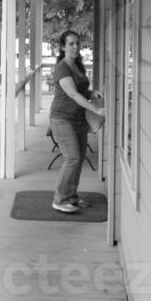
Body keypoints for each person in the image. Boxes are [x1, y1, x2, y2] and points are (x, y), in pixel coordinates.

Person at [49, 30, 105, 214]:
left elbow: (81, 91)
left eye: (77, 43)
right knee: (72, 158)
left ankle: (71, 196)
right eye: (71, 44)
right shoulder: (62, 68)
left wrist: (91, 93)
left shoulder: (78, 66)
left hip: (78, 119)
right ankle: (60, 199)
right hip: (62, 118)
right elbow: (72, 94)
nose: (75, 47)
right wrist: (96, 109)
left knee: (79, 158)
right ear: (63, 47)